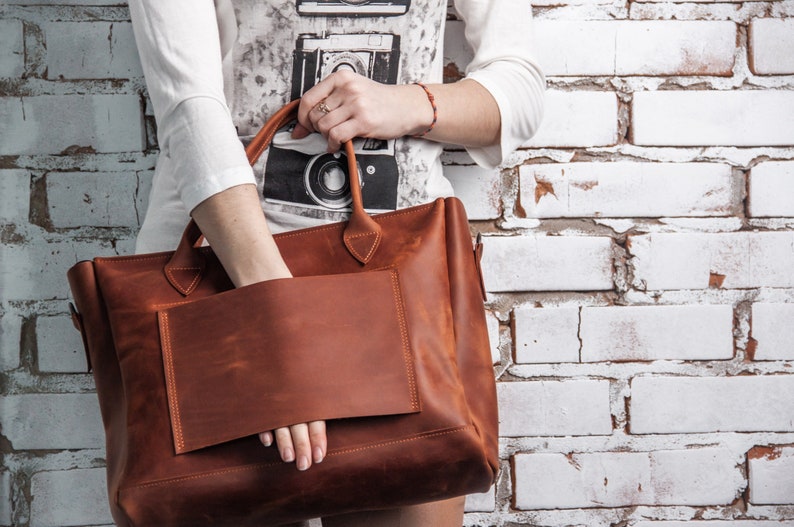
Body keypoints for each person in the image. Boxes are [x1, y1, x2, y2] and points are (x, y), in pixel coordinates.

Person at [127, 0, 544, 524]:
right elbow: (187, 108)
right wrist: (278, 319)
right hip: (222, 286)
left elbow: (520, 92)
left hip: (400, 288)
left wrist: (409, 104)